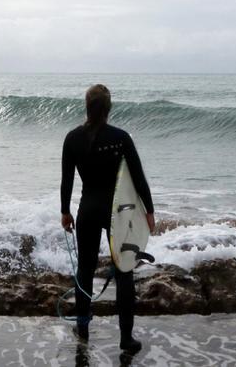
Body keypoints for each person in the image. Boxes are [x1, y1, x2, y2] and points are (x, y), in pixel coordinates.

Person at [61, 84, 154, 355]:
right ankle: (126, 339)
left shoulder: (72, 138)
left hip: (87, 209)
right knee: (124, 272)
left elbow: (66, 180)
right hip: (117, 213)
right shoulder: (121, 137)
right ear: (108, 108)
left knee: (85, 271)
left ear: (86, 107)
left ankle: (83, 328)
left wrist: (65, 211)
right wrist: (149, 211)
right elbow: (138, 178)